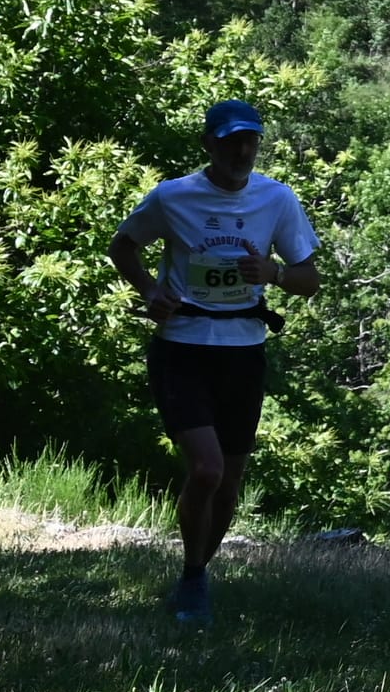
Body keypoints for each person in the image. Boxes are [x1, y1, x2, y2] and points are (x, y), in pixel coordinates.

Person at [108, 99, 320, 625]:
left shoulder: (276, 198)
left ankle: (197, 573)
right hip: (182, 346)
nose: (241, 152)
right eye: (229, 142)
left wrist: (272, 273)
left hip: (243, 351)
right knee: (207, 469)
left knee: (228, 483)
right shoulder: (173, 196)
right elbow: (123, 246)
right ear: (209, 145)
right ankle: (192, 575)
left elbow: (309, 279)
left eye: (249, 141)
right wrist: (150, 291)